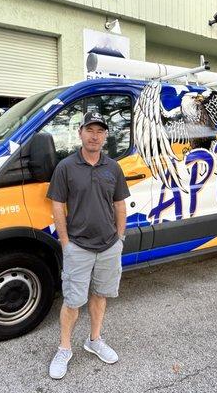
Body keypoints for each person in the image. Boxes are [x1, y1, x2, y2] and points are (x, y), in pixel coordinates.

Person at [46, 111, 130, 379]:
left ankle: (94, 340)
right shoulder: (66, 167)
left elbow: (119, 205)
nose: (95, 136)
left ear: (105, 136)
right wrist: (65, 243)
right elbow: (57, 205)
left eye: (100, 131)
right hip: (78, 246)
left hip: (108, 246)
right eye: (90, 130)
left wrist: (120, 238)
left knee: (100, 295)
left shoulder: (113, 168)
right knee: (72, 300)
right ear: (80, 133)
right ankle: (64, 349)